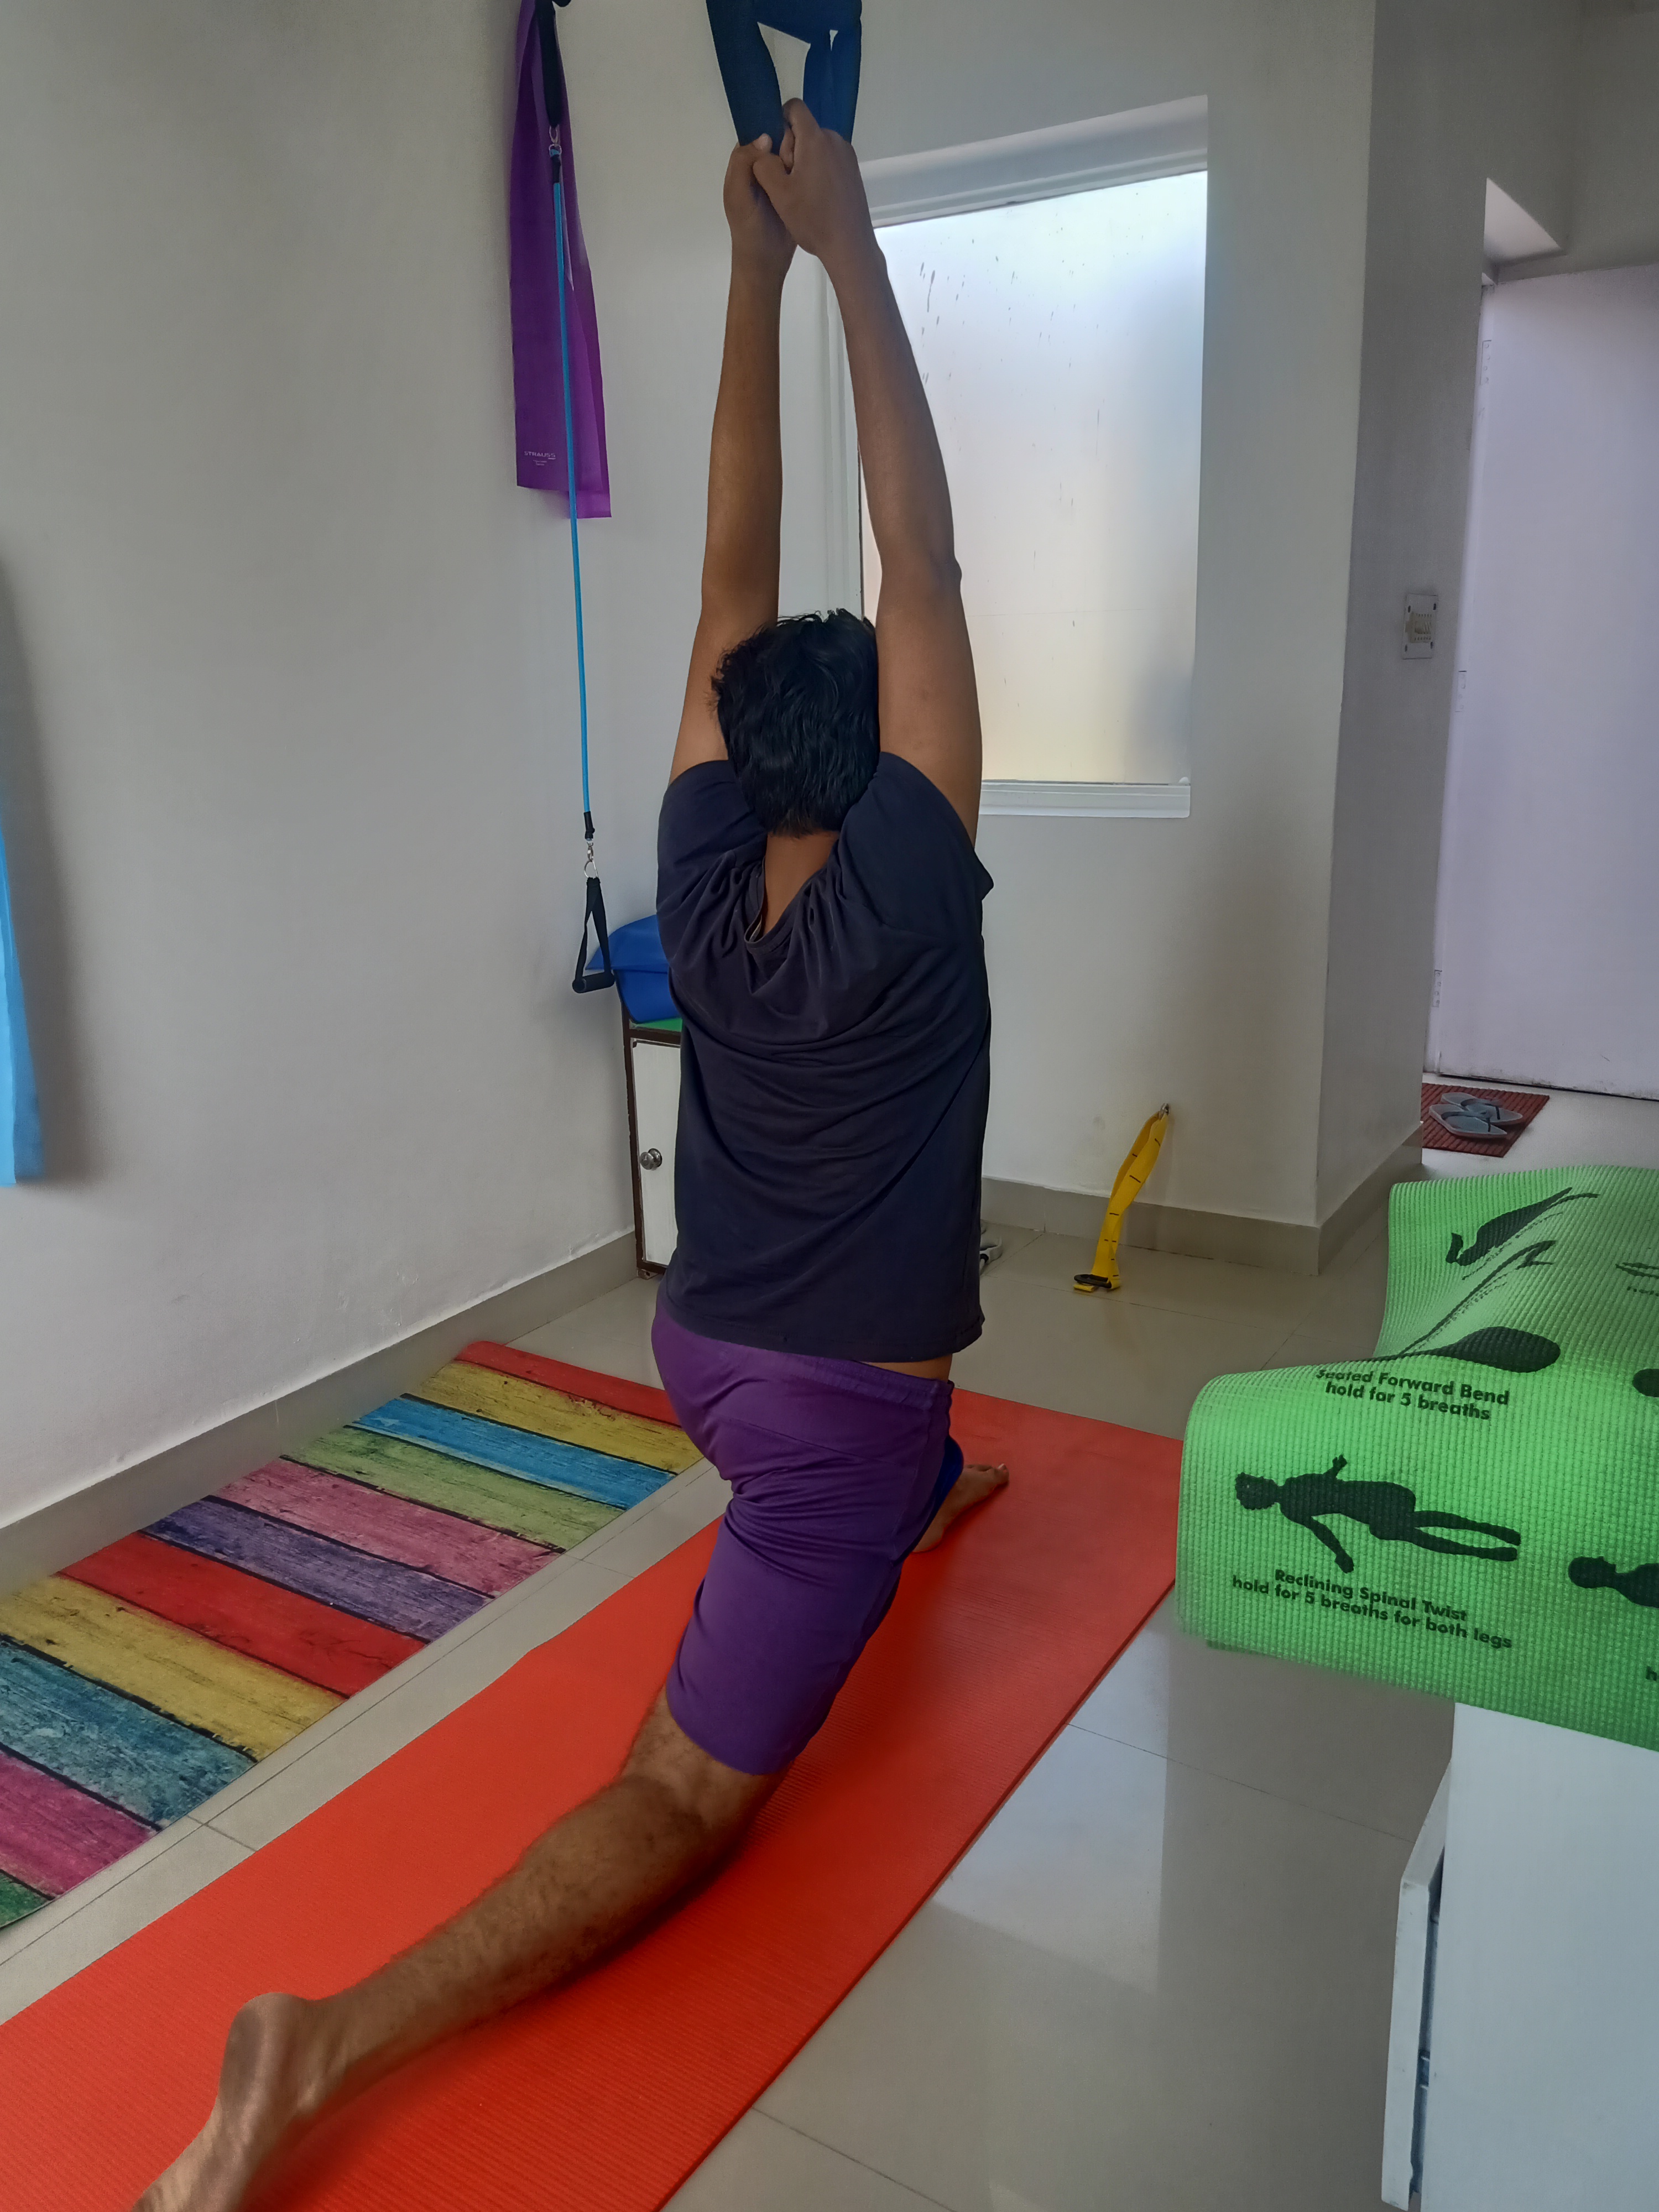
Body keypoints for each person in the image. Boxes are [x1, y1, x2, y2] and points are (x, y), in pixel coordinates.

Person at [136, 102, 1004, 2212]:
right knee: (685, 1800)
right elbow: (922, 560)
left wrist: (755, 268)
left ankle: (917, 1483)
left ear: (747, 748)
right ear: (886, 753)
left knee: (890, 1448)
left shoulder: (700, 866)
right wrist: (855, 247)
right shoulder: (913, 869)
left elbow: (735, 577)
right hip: (817, 1420)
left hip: (696, 1347)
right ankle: (325, 2040)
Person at [1235, 1455, 1521, 1577]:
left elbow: (1326, 1489)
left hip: (1369, 1500)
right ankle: (1486, 1541)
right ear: (1261, 1495)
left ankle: (1486, 1545)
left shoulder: (1292, 1493)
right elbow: (1321, 1529)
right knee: (1411, 1527)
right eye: (1258, 1483)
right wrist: (1340, 1553)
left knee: (1413, 1527)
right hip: (1367, 1504)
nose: (1263, 1479)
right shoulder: (1291, 1504)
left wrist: (1336, 1469)